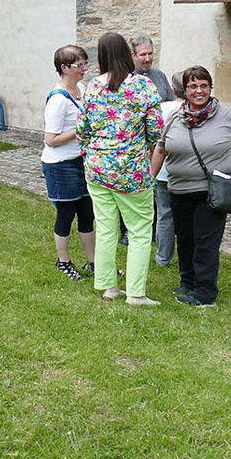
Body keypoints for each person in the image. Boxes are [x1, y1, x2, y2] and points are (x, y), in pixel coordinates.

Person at [150, 65, 231, 307]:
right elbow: (160, 148)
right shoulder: (175, 117)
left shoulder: (227, 116)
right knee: (186, 239)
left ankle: (205, 293)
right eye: (193, 86)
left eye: (203, 86)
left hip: (211, 191)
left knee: (205, 241)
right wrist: (149, 178)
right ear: (185, 90)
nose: (198, 91)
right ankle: (188, 282)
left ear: (210, 88)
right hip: (179, 189)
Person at [77, 32, 163, 306]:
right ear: (128, 53)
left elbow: (83, 130)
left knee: (105, 227)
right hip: (131, 170)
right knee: (139, 230)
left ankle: (107, 286)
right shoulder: (142, 86)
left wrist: (92, 154)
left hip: (97, 168)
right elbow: (156, 129)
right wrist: (139, 148)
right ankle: (135, 293)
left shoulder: (92, 86)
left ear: (101, 55)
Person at [42, 45, 95, 281]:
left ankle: (93, 263)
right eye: (79, 65)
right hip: (60, 165)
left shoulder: (81, 89)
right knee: (66, 214)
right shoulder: (58, 100)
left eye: (85, 64)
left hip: (79, 161)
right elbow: (50, 139)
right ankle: (63, 262)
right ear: (64, 68)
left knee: (87, 213)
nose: (84, 69)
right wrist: (78, 131)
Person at [154, 71, 185, 266]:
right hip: (188, 174)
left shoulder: (162, 108)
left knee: (164, 215)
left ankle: (163, 258)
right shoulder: (196, 108)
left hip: (163, 171)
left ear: (173, 90)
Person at [131, 36, 174, 102]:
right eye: (143, 54)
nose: (148, 59)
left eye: (150, 53)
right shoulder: (128, 78)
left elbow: (170, 101)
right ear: (134, 56)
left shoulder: (160, 75)